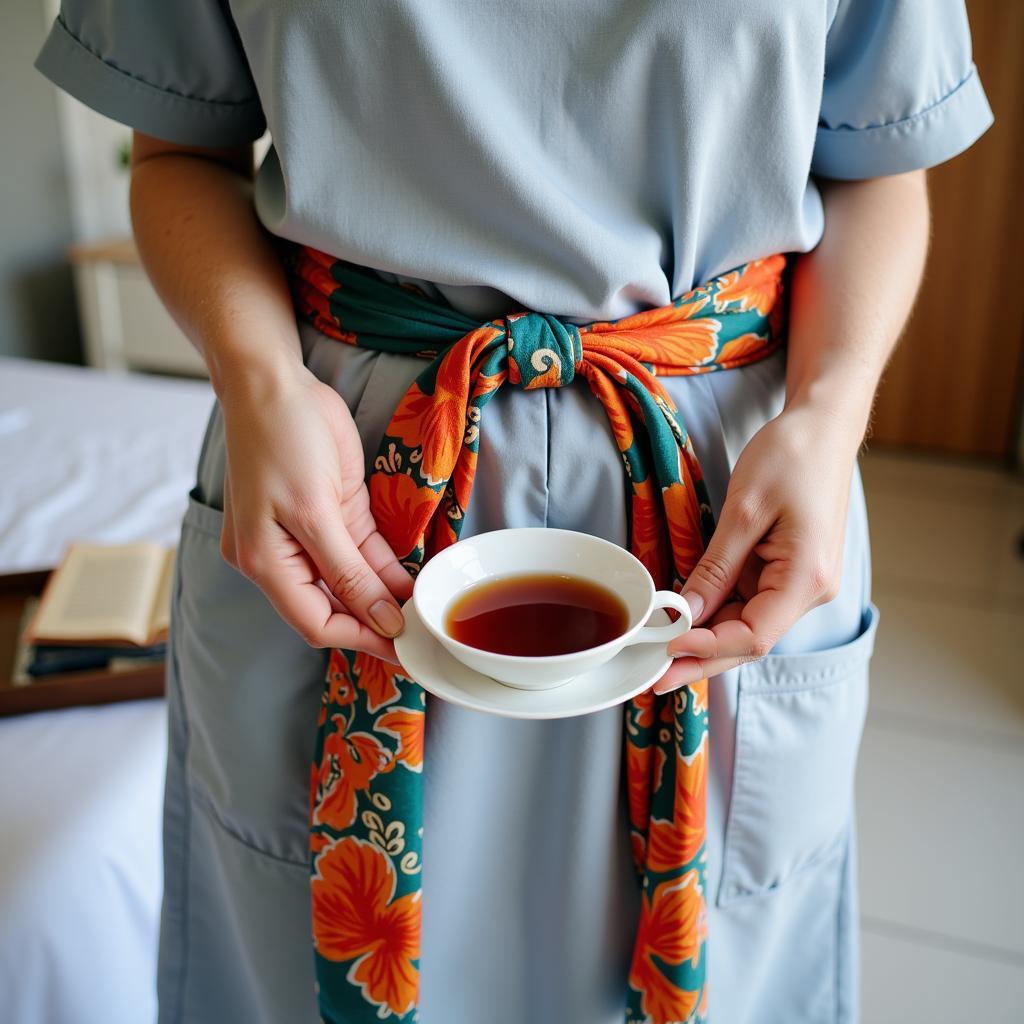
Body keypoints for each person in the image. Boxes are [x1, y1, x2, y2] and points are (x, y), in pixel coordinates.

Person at [35, 2, 992, 1022]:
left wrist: (830, 411)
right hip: (347, 476)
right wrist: (256, 377)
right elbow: (181, 148)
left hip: (715, 485)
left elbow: (877, 163)